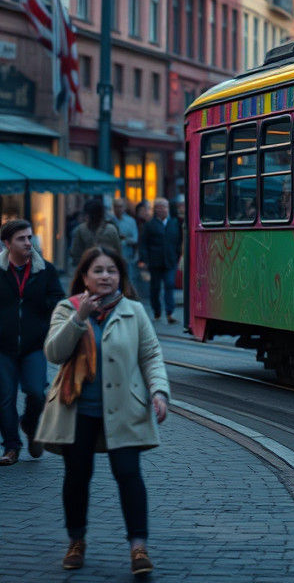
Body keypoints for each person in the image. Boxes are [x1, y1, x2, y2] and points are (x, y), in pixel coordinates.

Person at [35, 246, 168, 574]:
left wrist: (159, 391)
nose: (105, 276)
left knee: (129, 474)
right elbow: (53, 353)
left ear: (120, 275)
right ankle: (76, 540)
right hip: (77, 410)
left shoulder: (134, 311)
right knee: (77, 477)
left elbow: (150, 355)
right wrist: (79, 318)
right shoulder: (67, 308)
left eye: (112, 270)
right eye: (98, 271)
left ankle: (138, 547)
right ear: (84, 276)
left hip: (125, 409)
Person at [0, 219, 64, 465]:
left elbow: (58, 300)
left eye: (29, 237)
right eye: (22, 239)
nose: (28, 243)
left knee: (37, 392)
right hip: (3, 346)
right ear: (7, 244)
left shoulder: (44, 269)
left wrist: (41, 311)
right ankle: (11, 447)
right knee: (5, 397)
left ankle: (30, 424)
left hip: (34, 345)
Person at [137, 198, 182, 325]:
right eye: (159, 207)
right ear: (155, 209)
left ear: (168, 208)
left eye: (164, 207)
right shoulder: (150, 225)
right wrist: (144, 259)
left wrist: (178, 255)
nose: (162, 209)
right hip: (155, 262)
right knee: (155, 288)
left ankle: (169, 313)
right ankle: (157, 311)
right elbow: (143, 243)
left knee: (169, 284)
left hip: (170, 261)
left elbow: (179, 241)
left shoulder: (174, 224)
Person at [70, 199, 121, 266]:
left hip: (88, 267)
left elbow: (75, 253)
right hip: (107, 266)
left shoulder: (80, 230)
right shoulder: (111, 229)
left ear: (87, 215)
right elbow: (118, 251)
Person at [112, 197, 141, 295]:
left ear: (124, 208)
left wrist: (124, 240)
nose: (118, 209)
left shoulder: (130, 221)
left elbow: (135, 239)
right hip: (113, 255)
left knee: (129, 279)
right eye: (116, 206)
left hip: (127, 255)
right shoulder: (109, 221)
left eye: (120, 206)